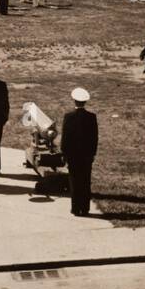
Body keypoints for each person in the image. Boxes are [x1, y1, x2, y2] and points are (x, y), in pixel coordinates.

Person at [61, 87, 98, 217]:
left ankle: (76, 208)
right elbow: (94, 138)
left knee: (74, 181)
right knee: (85, 181)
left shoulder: (68, 117)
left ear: (74, 101)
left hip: (73, 155)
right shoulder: (91, 117)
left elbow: (65, 138)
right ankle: (85, 208)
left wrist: (64, 154)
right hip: (86, 155)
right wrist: (93, 153)